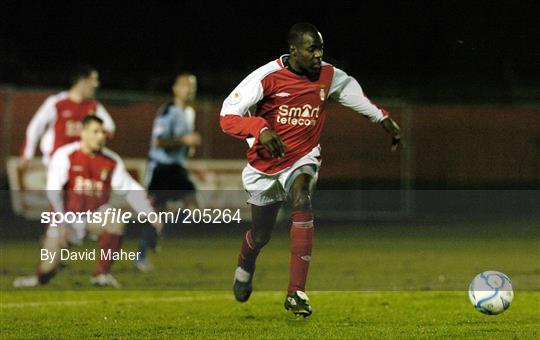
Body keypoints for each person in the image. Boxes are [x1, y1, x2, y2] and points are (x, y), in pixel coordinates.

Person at [220, 23, 402, 317]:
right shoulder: (267, 76)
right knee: (261, 234)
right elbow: (227, 116)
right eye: (311, 49)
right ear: (294, 50)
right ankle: (245, 264)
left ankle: (296, 292)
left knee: (302, 197)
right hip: (264, 166)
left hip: (302, 158)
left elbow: (352, 93)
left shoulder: (328, 76)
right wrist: (260, 128)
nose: (318, 55)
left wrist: (383, 119)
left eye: (321, 49)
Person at [13, 115, 162, 288]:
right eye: (95, 131)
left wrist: (150, 214)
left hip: (94, 217)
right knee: (47, 268)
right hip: (66, 218)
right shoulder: (65, 155)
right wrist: (61, 222)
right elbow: (54, 193)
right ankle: (40, 277)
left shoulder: (111, 160)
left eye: (103, 132)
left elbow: (131, 189)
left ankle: (101, 275)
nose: (100, 136)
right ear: (83, 133)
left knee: (115, 219)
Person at [134, 73, 201, 272]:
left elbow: (183, 142)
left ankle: (155, 236)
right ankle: (141, 256)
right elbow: (159, 141)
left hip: (176, 168)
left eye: (192, 86)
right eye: (185, 85)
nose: (189, 89)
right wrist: (183, 141)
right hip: (161, 168)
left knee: (193, 207)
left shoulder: (189, 112)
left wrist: (188, 151)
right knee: (159, 213)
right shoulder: (168, 111)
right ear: (175, 88)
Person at [20, 65, 115, 169]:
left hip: (83, 163)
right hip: (56, 163)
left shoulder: (94, 106)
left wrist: (95, 132)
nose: (96, 84)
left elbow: (110, 128)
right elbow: (36, 127)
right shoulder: (57, 103)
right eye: (93, 80)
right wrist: (27, 153)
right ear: (82, 81)